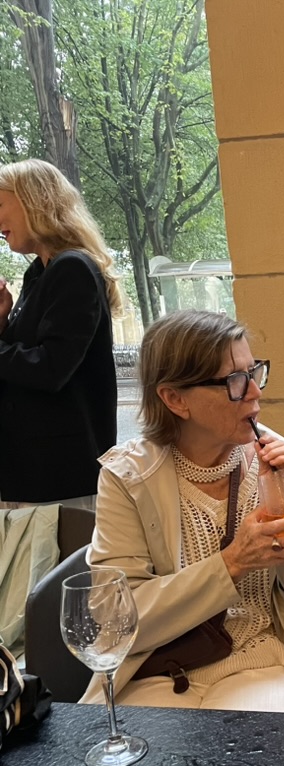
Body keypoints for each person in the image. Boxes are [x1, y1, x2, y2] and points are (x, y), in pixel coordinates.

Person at [81, 309, 284, 716]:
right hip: (158, 668)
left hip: (266, 659)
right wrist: (232, 563)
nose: (255, 392)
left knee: (257, 748)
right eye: (234, 381)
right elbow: (115, 620)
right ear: (174, 399)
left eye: (254, 372)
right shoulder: (128, 478)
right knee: (145, 755)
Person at [0, 158, 120, 508]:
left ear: (33, 201)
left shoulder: (72, 268)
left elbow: (50, 368)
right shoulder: (39, 272)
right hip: (34, 475)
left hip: (61, 478)